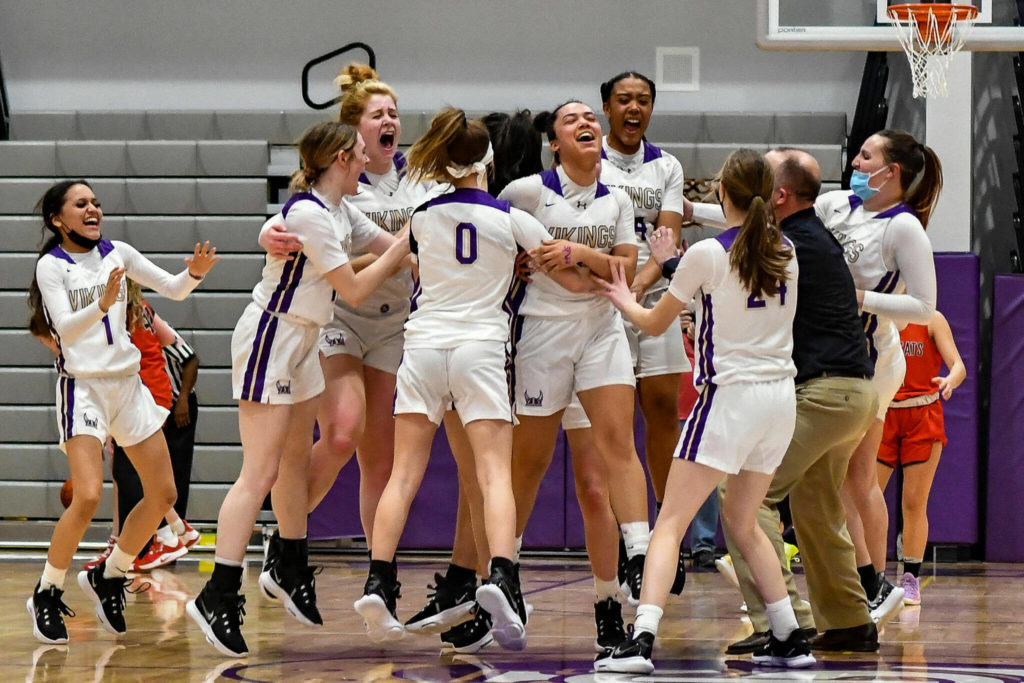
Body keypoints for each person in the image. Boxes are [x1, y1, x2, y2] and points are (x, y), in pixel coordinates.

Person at [353, 107, 590, 651]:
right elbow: (569, 278)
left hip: (423, 347)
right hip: (481, 350)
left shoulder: (418, 215)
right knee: (491, 475)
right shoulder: (510, 217)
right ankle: (502, 577)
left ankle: (379, 579)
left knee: (403, 474)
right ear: (487, 160)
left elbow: (389, 274)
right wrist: (608, 277)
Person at [187, 121, 410, 658]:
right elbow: (356, 287)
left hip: (306, 340)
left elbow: (398, 251)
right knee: (259, 471)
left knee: (292, 463)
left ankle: (288, 560)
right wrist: (407, 242)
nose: (368, 163)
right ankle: (218, 591)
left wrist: (424, 244)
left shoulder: (343, 210)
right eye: (360, 155)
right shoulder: (310, 212)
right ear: (340, 157)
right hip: (272, 334)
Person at [595, 148, 813, 673]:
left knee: (669, 523)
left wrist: (623, 295)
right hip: (779, 401)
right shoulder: (787, 249)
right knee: (744, 521)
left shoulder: (709, 255)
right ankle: (788, 634)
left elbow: (651, 322)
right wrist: (673, 261)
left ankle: (641, 640)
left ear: (720, 193)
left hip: (729, 399)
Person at [674, 148, 881, 654]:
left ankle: (783, 623)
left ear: (778, 196)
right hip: (854, 392)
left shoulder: (787, 247)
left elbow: (732, 268)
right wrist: (693, 210)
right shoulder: (809, 237)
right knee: (816, 503)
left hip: (822, 390)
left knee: (747, 498)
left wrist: (667, 263)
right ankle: (850, 621)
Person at [259, 64, 447, 570]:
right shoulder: (342, 181)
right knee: (342, 434)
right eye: (378, 114)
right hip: (340, 315)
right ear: (354, 131)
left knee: (379, 460)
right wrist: (266, 234)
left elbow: (433, 244)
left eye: (395, 113)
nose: (390, 121)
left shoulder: (420, 180)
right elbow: (286, 223)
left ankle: (377, 573)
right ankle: (286, 539)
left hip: (394, 323)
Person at [26, 179, 218, 644]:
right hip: (84, 388)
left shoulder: (120, 253)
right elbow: (65, 331)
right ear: (58, 219)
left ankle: (109, 574)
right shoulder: (51, 267)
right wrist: (103, 303)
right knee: (88, 495)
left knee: (164, 496)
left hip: (128, 387)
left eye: (95, 202)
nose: (93, 209)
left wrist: (193, 273)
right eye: (81, 204)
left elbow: (172, 289)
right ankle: (47, 592)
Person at [497, 100, 648, 649]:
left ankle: (626, 574)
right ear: (554, 143)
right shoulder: (526, 193)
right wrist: (518, 264)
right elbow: (496, 245)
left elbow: (625, 269)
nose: (586, 123)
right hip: (542, 335)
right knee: (529, 463)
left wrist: (577, 251)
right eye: (571, 120)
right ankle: (504, 571)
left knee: (601, 474)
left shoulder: (620, 198)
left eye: (591, 118)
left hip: (602, 332)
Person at [817, 129, 941, 624]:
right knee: (851, 478)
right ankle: (871, 585)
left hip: (874, 358)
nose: (855, 160)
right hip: (834, 352)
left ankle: (873, 582)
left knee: (854, 478)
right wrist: (693, 214)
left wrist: (860, 298)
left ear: (890, 173)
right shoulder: (836, 206)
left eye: (866, 155)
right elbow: (768, 220)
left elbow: (924, 307)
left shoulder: (904, 227)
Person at [101, 281, 201, 571]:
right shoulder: (141, 310)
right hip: (151, 394)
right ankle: (176, 530)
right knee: (146, 474)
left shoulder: (121, 316)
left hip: (150, 396)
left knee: (129, 471)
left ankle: (159, 540)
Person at [878, 310, 965, 606]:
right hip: (883, 410)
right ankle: (871, 579)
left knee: (914, 501)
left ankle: (910, 578)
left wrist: (950, 380)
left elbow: (959, 366)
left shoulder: (931, 319)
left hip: (922, 412)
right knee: (868, 497)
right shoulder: (878, 314)